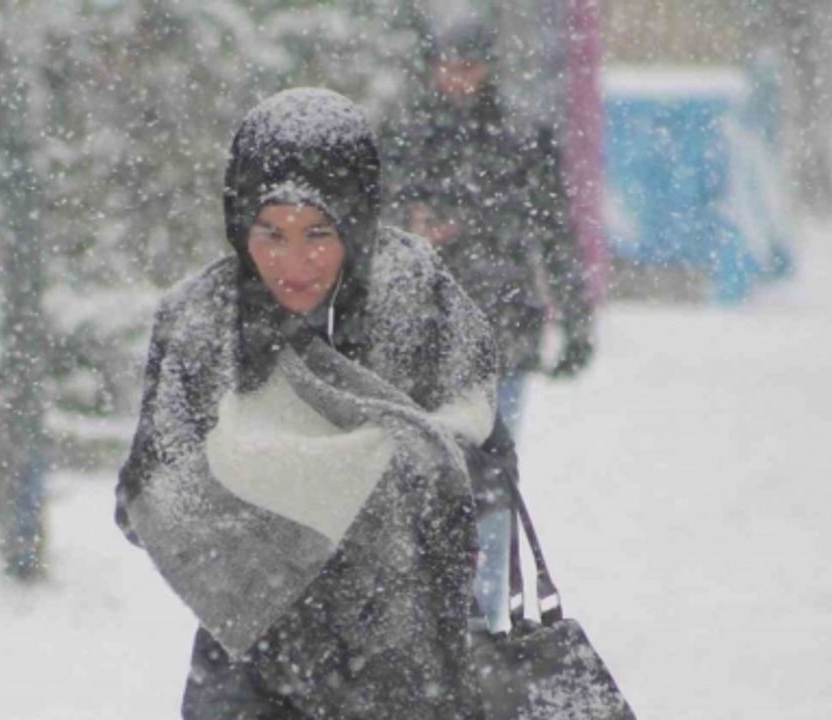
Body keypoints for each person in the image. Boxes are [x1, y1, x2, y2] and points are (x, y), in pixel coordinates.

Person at [115, 87, 517, 718]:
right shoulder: (202, 322)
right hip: (250, 670)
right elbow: (146, 499)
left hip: (407, 665)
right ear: (238, 223)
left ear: (356, 220)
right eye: (270, 233)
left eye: (319, 233)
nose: (293, 262)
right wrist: (277, 524)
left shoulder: (418, 300)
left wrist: (351, 481)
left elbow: (487, 471)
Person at [383, 17, 596, 635]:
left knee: (491, 482)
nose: (457, 78)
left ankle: (479, 623)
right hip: (417, 341)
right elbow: (372, 229)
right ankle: (429, 619)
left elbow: (554, 233)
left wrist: (575, 321)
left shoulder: (521, 139)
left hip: (501, 334)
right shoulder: (404, 137)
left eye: (468, 65)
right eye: (447, 65)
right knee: (419, 483)